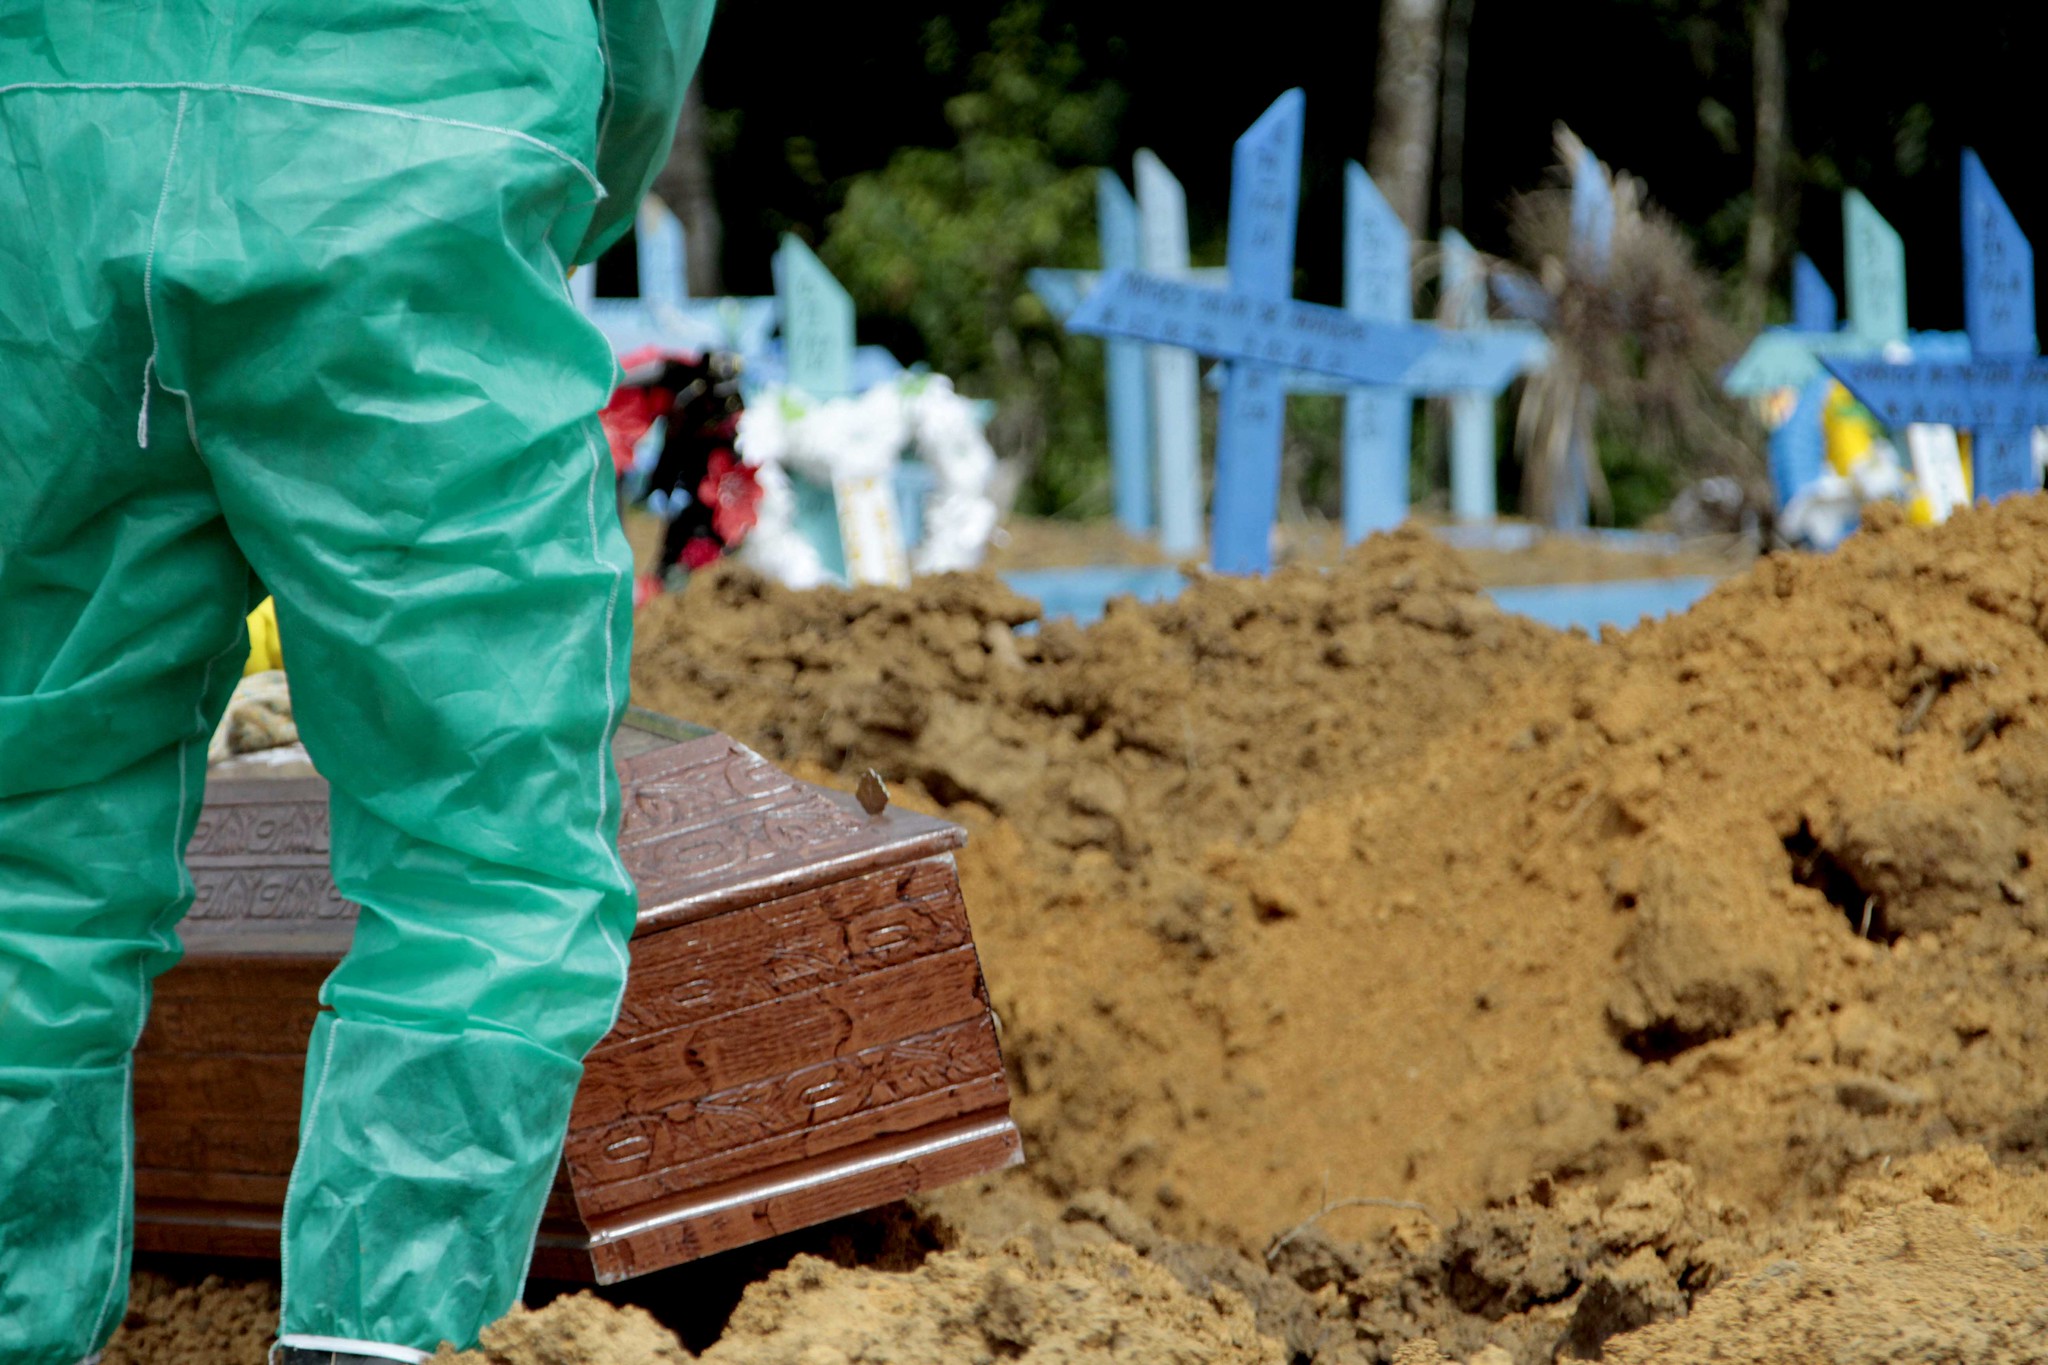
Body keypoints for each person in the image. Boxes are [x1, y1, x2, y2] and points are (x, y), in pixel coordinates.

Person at [0, 3, 712, 1361]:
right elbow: (640, 40)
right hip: (412, 157)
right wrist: (555, 174)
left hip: (42, 167)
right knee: (484, 850)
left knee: (26, 831)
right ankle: (380, 1335)